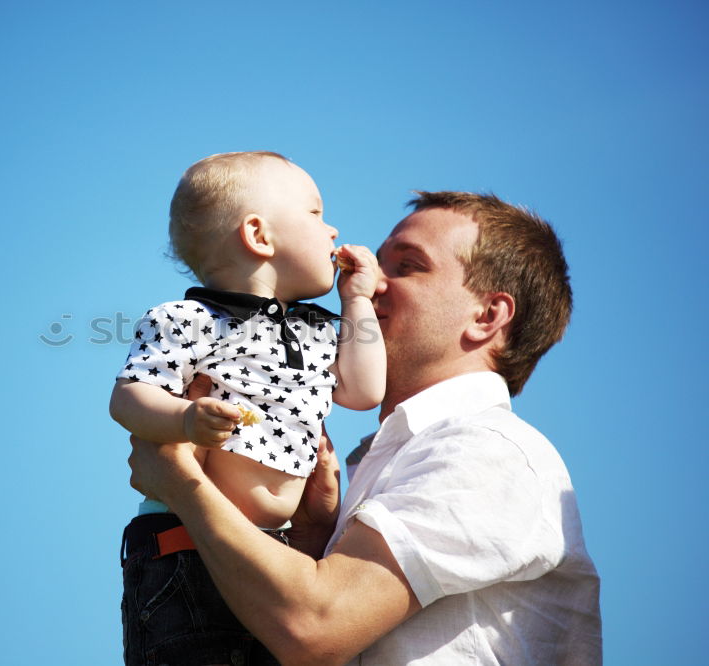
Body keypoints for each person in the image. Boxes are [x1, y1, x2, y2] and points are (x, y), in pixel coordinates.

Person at [128, 191, 603, 665]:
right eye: (377, 265)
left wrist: (179, 478)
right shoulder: (392, 466)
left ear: (486, 317)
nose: (371, 283)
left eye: (408, 266)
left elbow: (314, 628)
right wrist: (314, 541)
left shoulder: (486, 451)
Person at [110, 151, 388, 664]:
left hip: (276, 556)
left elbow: (362, 391)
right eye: (315, 214)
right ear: (259, 236)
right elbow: (129, 396)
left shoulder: (317, 330)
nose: (332, 231)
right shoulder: (188, 318)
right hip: (184, 548)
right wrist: (184, 419)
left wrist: (358, 302)